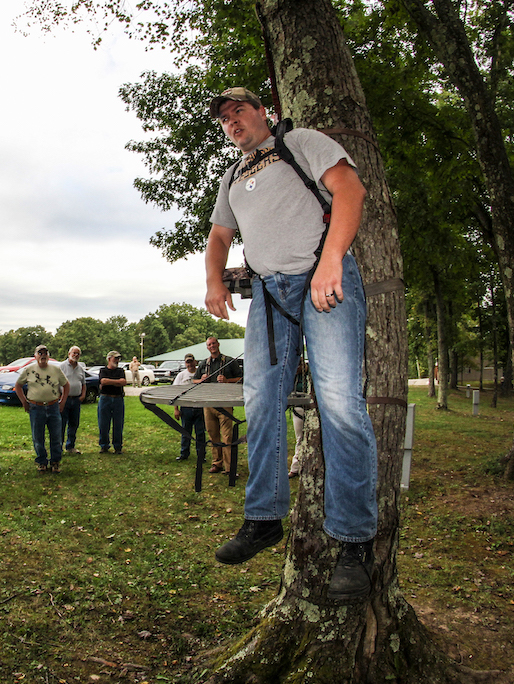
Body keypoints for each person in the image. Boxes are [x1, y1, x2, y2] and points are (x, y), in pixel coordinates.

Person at [204, 87, 377, 601]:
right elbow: (218, 238)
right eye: (225, 119)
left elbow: (350, 191)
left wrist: (330, 262)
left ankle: (354, 542)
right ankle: (263, 518)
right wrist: (215, 282)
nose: (232, 121)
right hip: (268, 294)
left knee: (341, 404)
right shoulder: (232, 177)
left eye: (239, 110)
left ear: (263, 113)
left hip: (325, 280)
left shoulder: (300, 142)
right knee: (259, 402)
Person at [14, 345, 69, 473]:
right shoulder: (28, 369)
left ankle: (55, 462)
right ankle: (42, 462)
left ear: (48, 356)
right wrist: (24, 401)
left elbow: (66, 385)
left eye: (45, 353)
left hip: (53, 406)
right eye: (40, 353)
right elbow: (18, 386)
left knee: (56, 436)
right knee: (38, 437)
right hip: (36, 407)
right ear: (35, 356)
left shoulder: (56, 370)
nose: (43, 356)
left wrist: (63, 402)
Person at [193, 337, 242, 474]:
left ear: (218, 344)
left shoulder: (229, 361)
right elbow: (194, 380)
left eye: (214, 343)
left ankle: (229, 467)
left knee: (227, 436)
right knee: (212, 434)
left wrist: (227, 381)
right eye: (209, 344)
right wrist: (201, 380)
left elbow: (241, 379)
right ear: (207, 347)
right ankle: (216, 463)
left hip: (225, 403)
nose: (212, 346)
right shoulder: (204, 363)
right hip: (208, 404)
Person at [172, 354, 206, 462]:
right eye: (187, 362)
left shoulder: (201, 374)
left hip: (199, 406)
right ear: (185, 363)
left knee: (200, 432)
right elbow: (175, 392)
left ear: (195, 362)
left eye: (191, 362)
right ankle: (184, 454)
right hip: (186, 407)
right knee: (185, 432)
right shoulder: (181, 376)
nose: (189, 364)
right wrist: (176, 409)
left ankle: (201, 455)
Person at [57, 346, 86, 454]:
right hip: (64, 400)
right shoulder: (62, 367)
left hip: (76, 400)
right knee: (61, 424)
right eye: (74, 353)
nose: (76, 355)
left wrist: (83, 395)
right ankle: (58, 447)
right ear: (69, 353)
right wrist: (59, 397)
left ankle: (70, 447)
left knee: (74, 424)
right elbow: (57, 383)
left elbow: (83, 384)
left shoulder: (80, 368)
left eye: (78, 354)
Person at [97, 351, 127, 454]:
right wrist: (116, 382)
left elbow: (123, 382)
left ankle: (118, 446)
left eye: (118, 359)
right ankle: (104, 445)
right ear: (109, 359)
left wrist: (110, 382)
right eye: (115, 358)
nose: (117, 361)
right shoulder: (103, 370)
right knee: (103, 423)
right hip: (105, 399)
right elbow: (103, 381)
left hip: (118, 399)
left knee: (118, 423)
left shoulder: (120, 370)